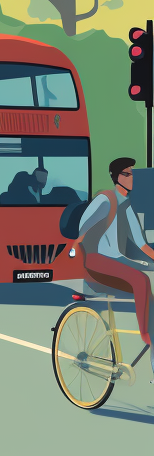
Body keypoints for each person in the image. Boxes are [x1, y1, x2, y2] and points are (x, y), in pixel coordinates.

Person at [76, 157, 154, 368]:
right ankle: (146, 334)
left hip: (116, 260)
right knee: (141, 281)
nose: (131, 178)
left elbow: (141, 244)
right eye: (126, 174)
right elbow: (82, 229)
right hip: (96, 260)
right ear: (116, 177)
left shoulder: (127, 205)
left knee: (149, 293)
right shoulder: (105, 200)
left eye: (132, 174)